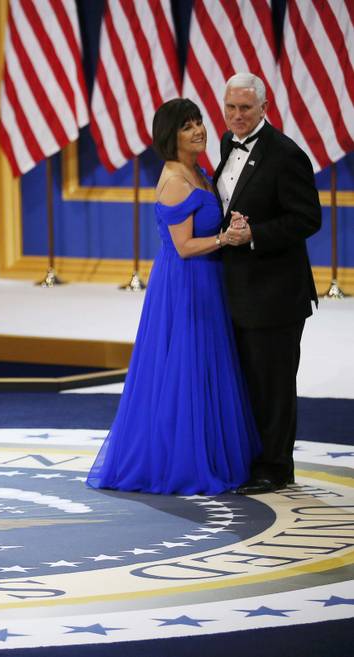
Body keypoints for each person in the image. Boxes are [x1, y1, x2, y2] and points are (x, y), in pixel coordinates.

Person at [87, 98, 260, 495]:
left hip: (207, 278)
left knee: (206, 365)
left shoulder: (196, 170)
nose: (199, 130)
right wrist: (225, 238)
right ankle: (181, 462)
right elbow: (183, 247)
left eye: (198, 121)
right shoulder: (175, 181)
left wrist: (228, 224)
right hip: (185, 284)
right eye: (187, 126)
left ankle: (210, 452)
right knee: (186, 367)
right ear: (171, 136)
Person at [218, 73, 322, 495]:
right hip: (237, 289)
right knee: (247, 380)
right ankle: (253, 458)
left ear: (265, 107)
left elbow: (307, 219)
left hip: (276, 293)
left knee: (273, 384)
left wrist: (255, 233)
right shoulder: (227, 145)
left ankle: (275, 468)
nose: (237, 116)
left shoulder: (285, 154)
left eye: (245, 108)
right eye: (230, 107)